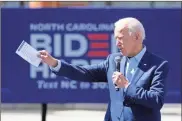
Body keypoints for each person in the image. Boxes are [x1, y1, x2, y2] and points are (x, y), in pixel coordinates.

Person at [39, 17, 169, 121]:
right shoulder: (113, 60)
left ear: (137, 37)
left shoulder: (158, 65)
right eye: (116, 39)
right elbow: (84, 73)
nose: (117, 43)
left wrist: (127, 86)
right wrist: (54, 63)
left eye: (121, 38)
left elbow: (156, 100)